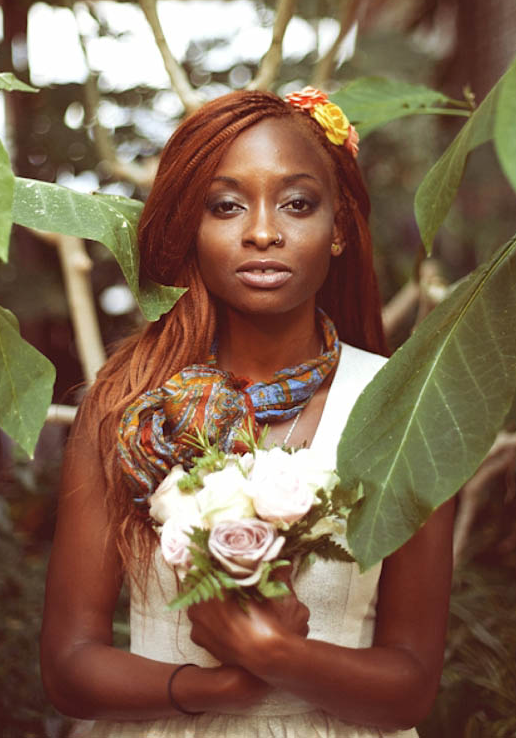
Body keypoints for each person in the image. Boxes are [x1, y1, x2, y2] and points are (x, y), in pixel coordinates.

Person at [40, 88, 455, 737]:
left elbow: (412, 688)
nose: (263, 231)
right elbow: (68, 666)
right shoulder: (128, 405)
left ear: (340, 227)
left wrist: (274, 654)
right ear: (191, 228)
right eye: (226, 205)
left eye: (297, 202)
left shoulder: (407, 408)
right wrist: (211, 688)